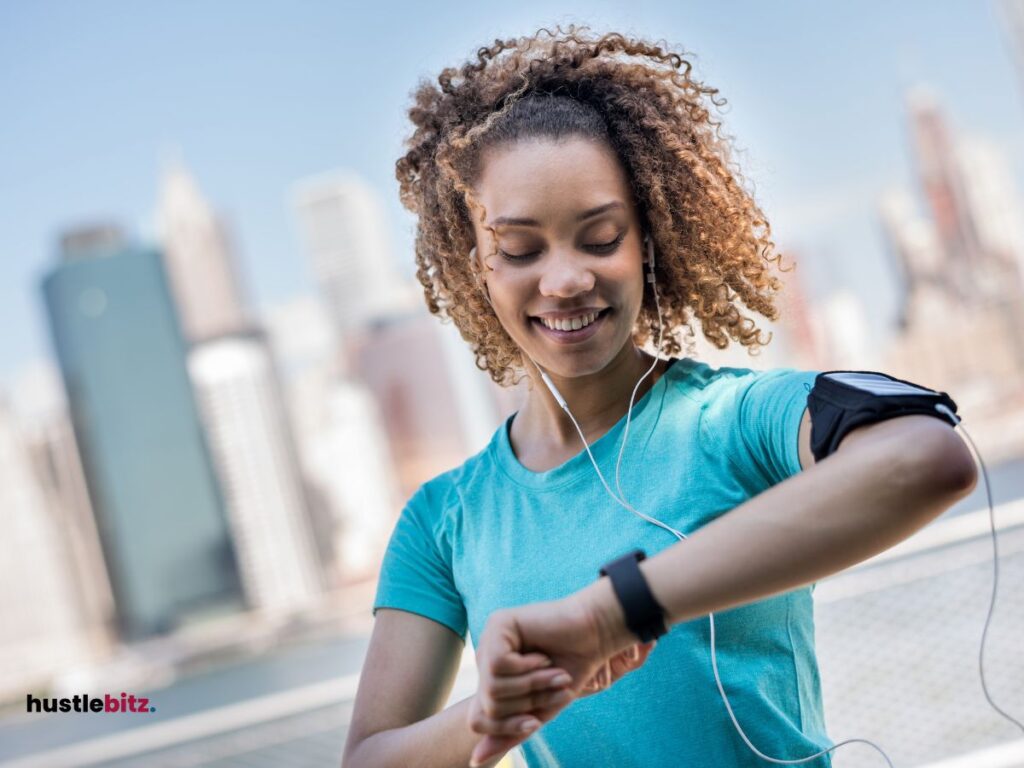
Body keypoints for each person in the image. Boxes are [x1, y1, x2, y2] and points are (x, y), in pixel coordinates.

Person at [341, 27, 978, 768]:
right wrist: (490, 712)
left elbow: (929, 455)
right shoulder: (442, 521)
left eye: (600, 237)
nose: (565, 279)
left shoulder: (729, 422)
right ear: (475, 264)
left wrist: (607, 617)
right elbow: (368, 761)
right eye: (519, 250)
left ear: (648, 239)